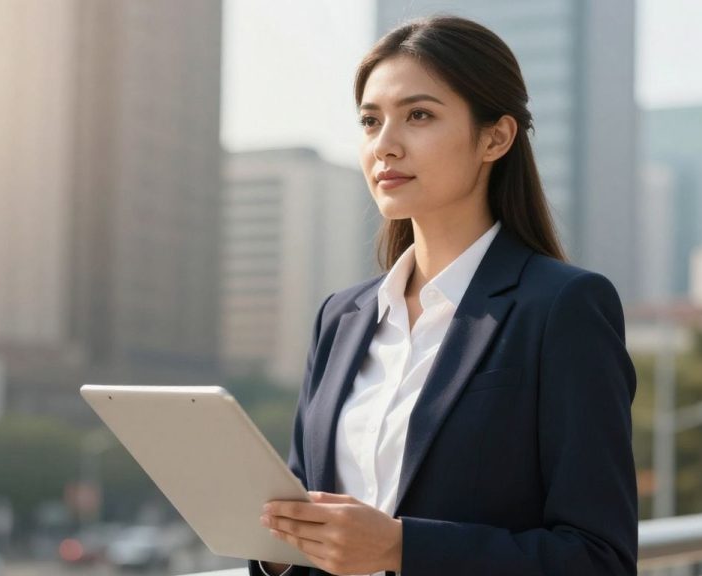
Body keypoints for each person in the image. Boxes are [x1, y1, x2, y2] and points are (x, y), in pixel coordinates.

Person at [251, 15, 638, 576]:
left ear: (495, 137)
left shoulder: (564, 308)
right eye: (369, 121)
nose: (385, 145)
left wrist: (400, 548)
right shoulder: (341, 318)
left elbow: (599, 560)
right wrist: (282, 553)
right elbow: (304, 516)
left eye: (419, 116)